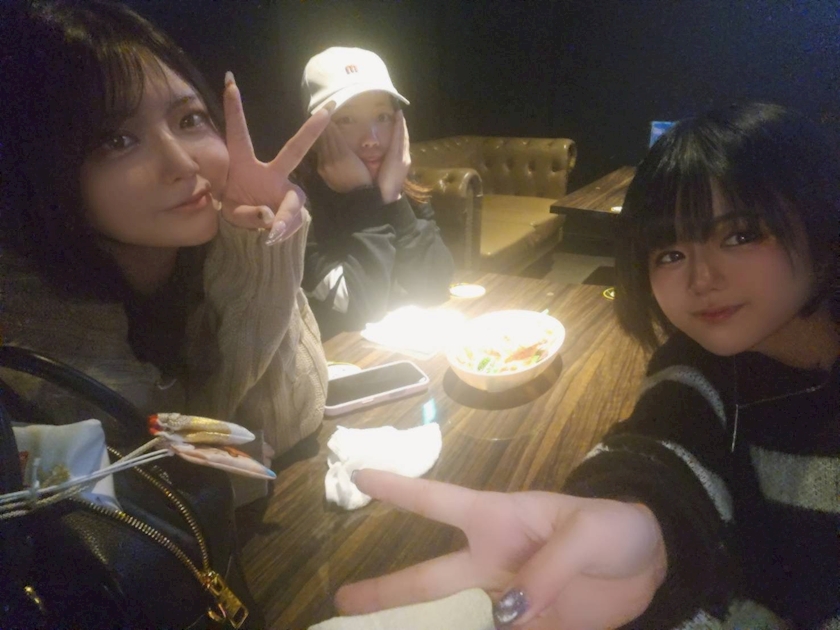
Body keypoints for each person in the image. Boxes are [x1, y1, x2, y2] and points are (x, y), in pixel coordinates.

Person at [332, 103, 840, 629]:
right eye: (670, 254)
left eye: (740, 235)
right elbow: (661, 450)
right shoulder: (698, 364)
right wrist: (642, 525)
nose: (701, 278)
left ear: (819, 217)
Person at [0, 1, 330, 467]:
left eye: (189, 119)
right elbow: (157, 474)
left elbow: (290, 421)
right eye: (117, 140)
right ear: (41, 169)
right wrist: (235, 460)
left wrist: (257, 248)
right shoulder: (27, 308)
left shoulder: (220, 241)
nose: (182, 163)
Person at [297, 47, 455, 339]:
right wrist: (362, 197)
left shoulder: (396, 180)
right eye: (346, 119)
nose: (371, 139)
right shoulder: (297, 206)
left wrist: (393, 197)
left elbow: (436, 282)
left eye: (382, 117)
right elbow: (362, 308)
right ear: (314, 131)